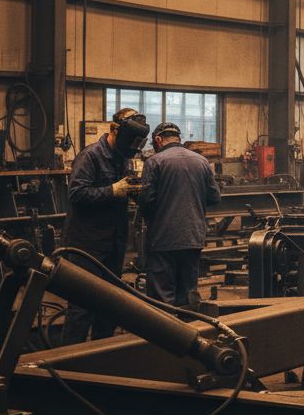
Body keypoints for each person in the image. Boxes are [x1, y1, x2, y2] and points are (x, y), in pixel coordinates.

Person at [60, 108, 149, 344]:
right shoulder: (90, 156)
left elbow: (124, 189)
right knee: (82, 306)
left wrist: (134, 192)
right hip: (86, 244)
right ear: (114, 130)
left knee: (110, 303)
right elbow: (77, 193)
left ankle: (102, 354)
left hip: (113, 242)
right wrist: (112, 190)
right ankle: (69, 361)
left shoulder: (123, 157)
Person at [138, 122, 221, 308]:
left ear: (158, 139)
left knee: (161, 299)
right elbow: (215, 197)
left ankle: (164, 336)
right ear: (178, 138)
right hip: (192, 237)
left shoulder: (154, 162)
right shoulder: (202, 161)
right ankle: (190, 332)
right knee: (188, 295)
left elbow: (147, 202)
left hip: (163, 240)